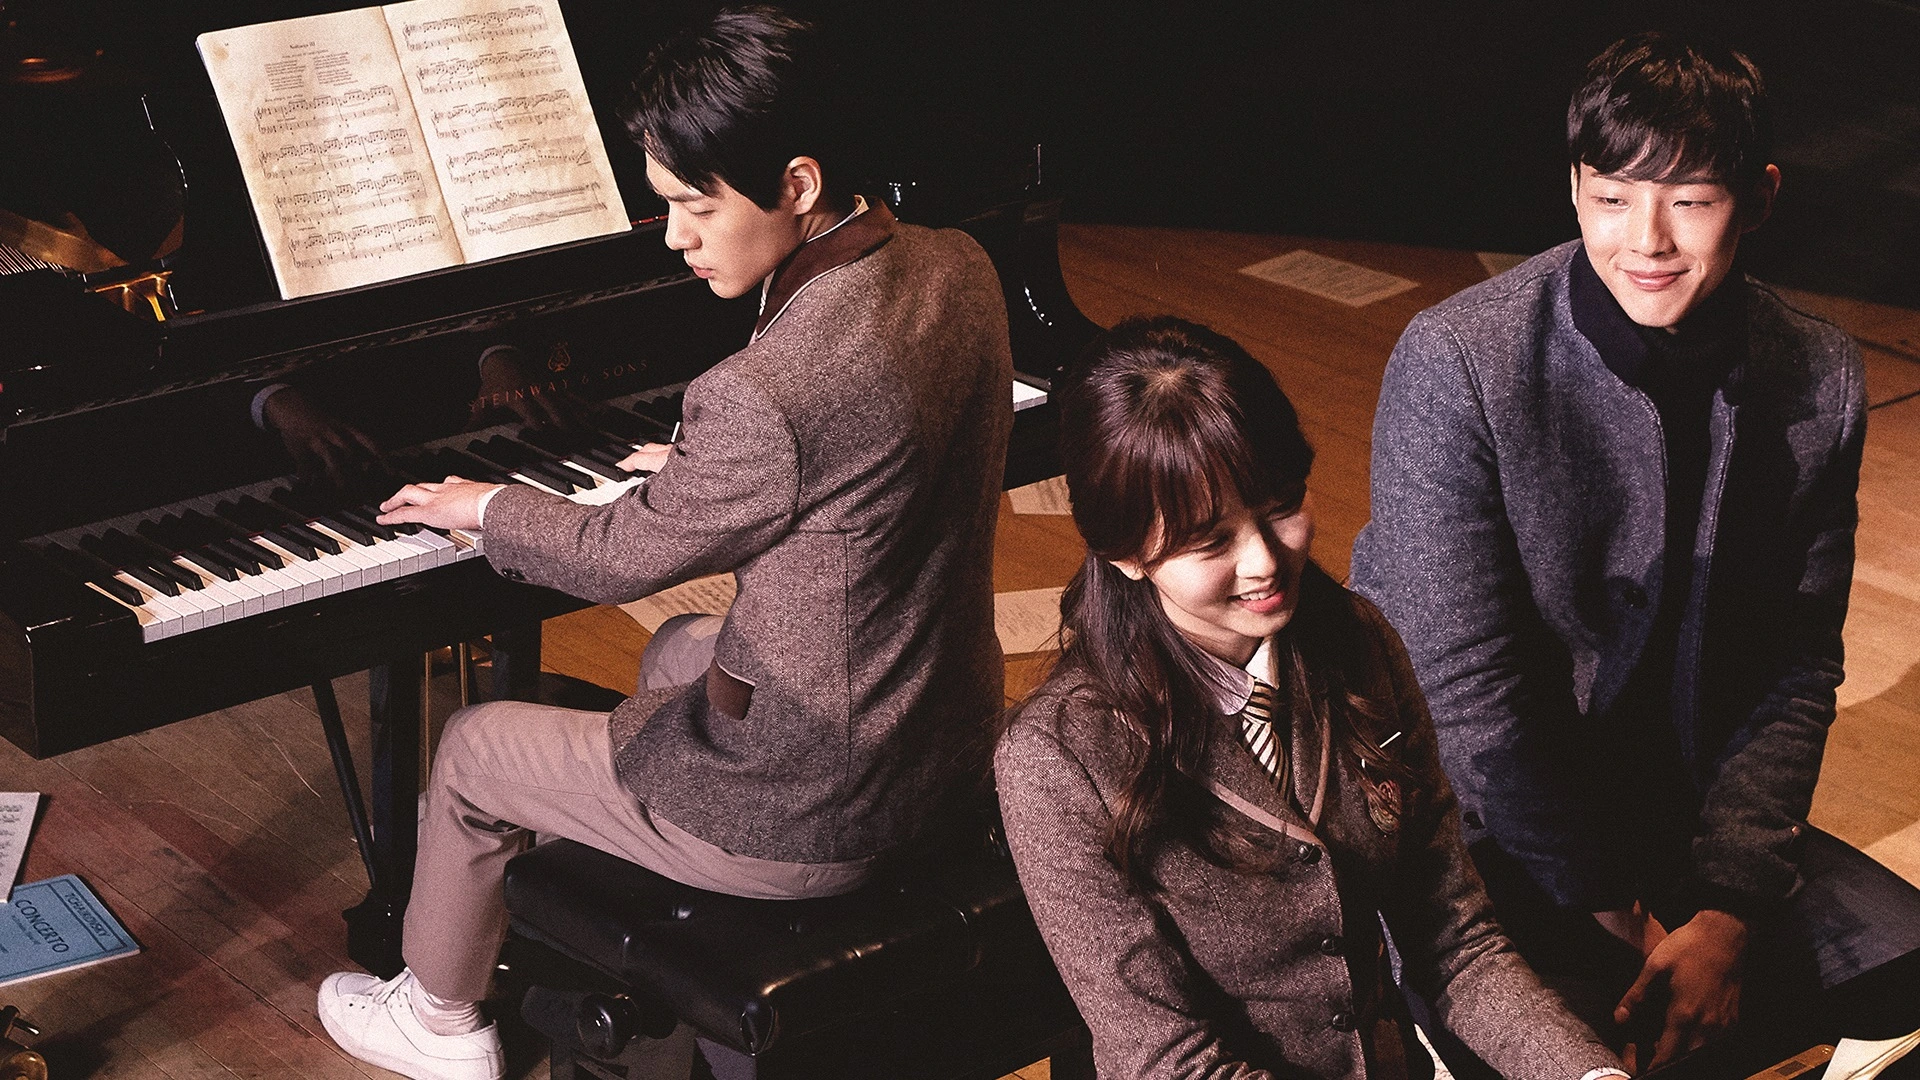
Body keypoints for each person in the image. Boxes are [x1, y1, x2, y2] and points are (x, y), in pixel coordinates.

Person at [314, 8, 1014, 1079]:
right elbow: (858, 455)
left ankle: (439, 1018)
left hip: (821, 812)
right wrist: (706, 474)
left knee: (473, 748)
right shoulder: (955, 266)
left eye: (696, 204)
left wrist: (487, 506)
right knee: (680, 650)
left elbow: (614, 560)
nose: (675, 237)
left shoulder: (762, 393)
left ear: (798, 183)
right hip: (939, 743)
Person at [1350, 30, 1920, 1074]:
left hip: (1677, 820)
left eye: (1690, 199)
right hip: (1478, 831)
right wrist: (1633, 922)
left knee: (1906, 958)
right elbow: (1467, 700)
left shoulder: (1818, 373)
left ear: (1760, 198)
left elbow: (1797, 665)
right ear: (1574, 189)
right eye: (1612, 196)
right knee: (1585, 1045)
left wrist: (1729, 910)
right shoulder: (1460, 361)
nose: (1646, 239)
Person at [995, 316, 1624, 1080]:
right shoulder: (1057, 759)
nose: (1264, 560)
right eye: (1211, 542)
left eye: (1281, 505)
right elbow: (1166, 1058)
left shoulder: (1357, 642)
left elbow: (1455, 943)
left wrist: (1589, 1074)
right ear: (1124, 552)